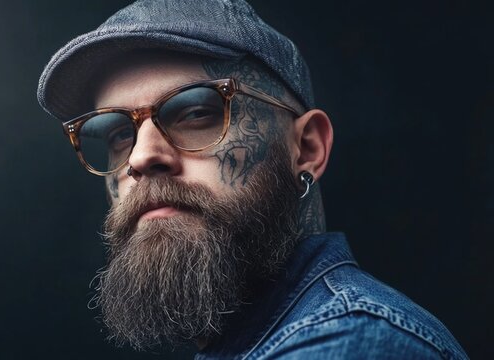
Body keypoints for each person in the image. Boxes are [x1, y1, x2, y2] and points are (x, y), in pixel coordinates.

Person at [36, 0, 468, 359]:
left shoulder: (345, 344)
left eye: (196, 112)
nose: (142, 156)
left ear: (308, 148)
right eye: (117, 133)